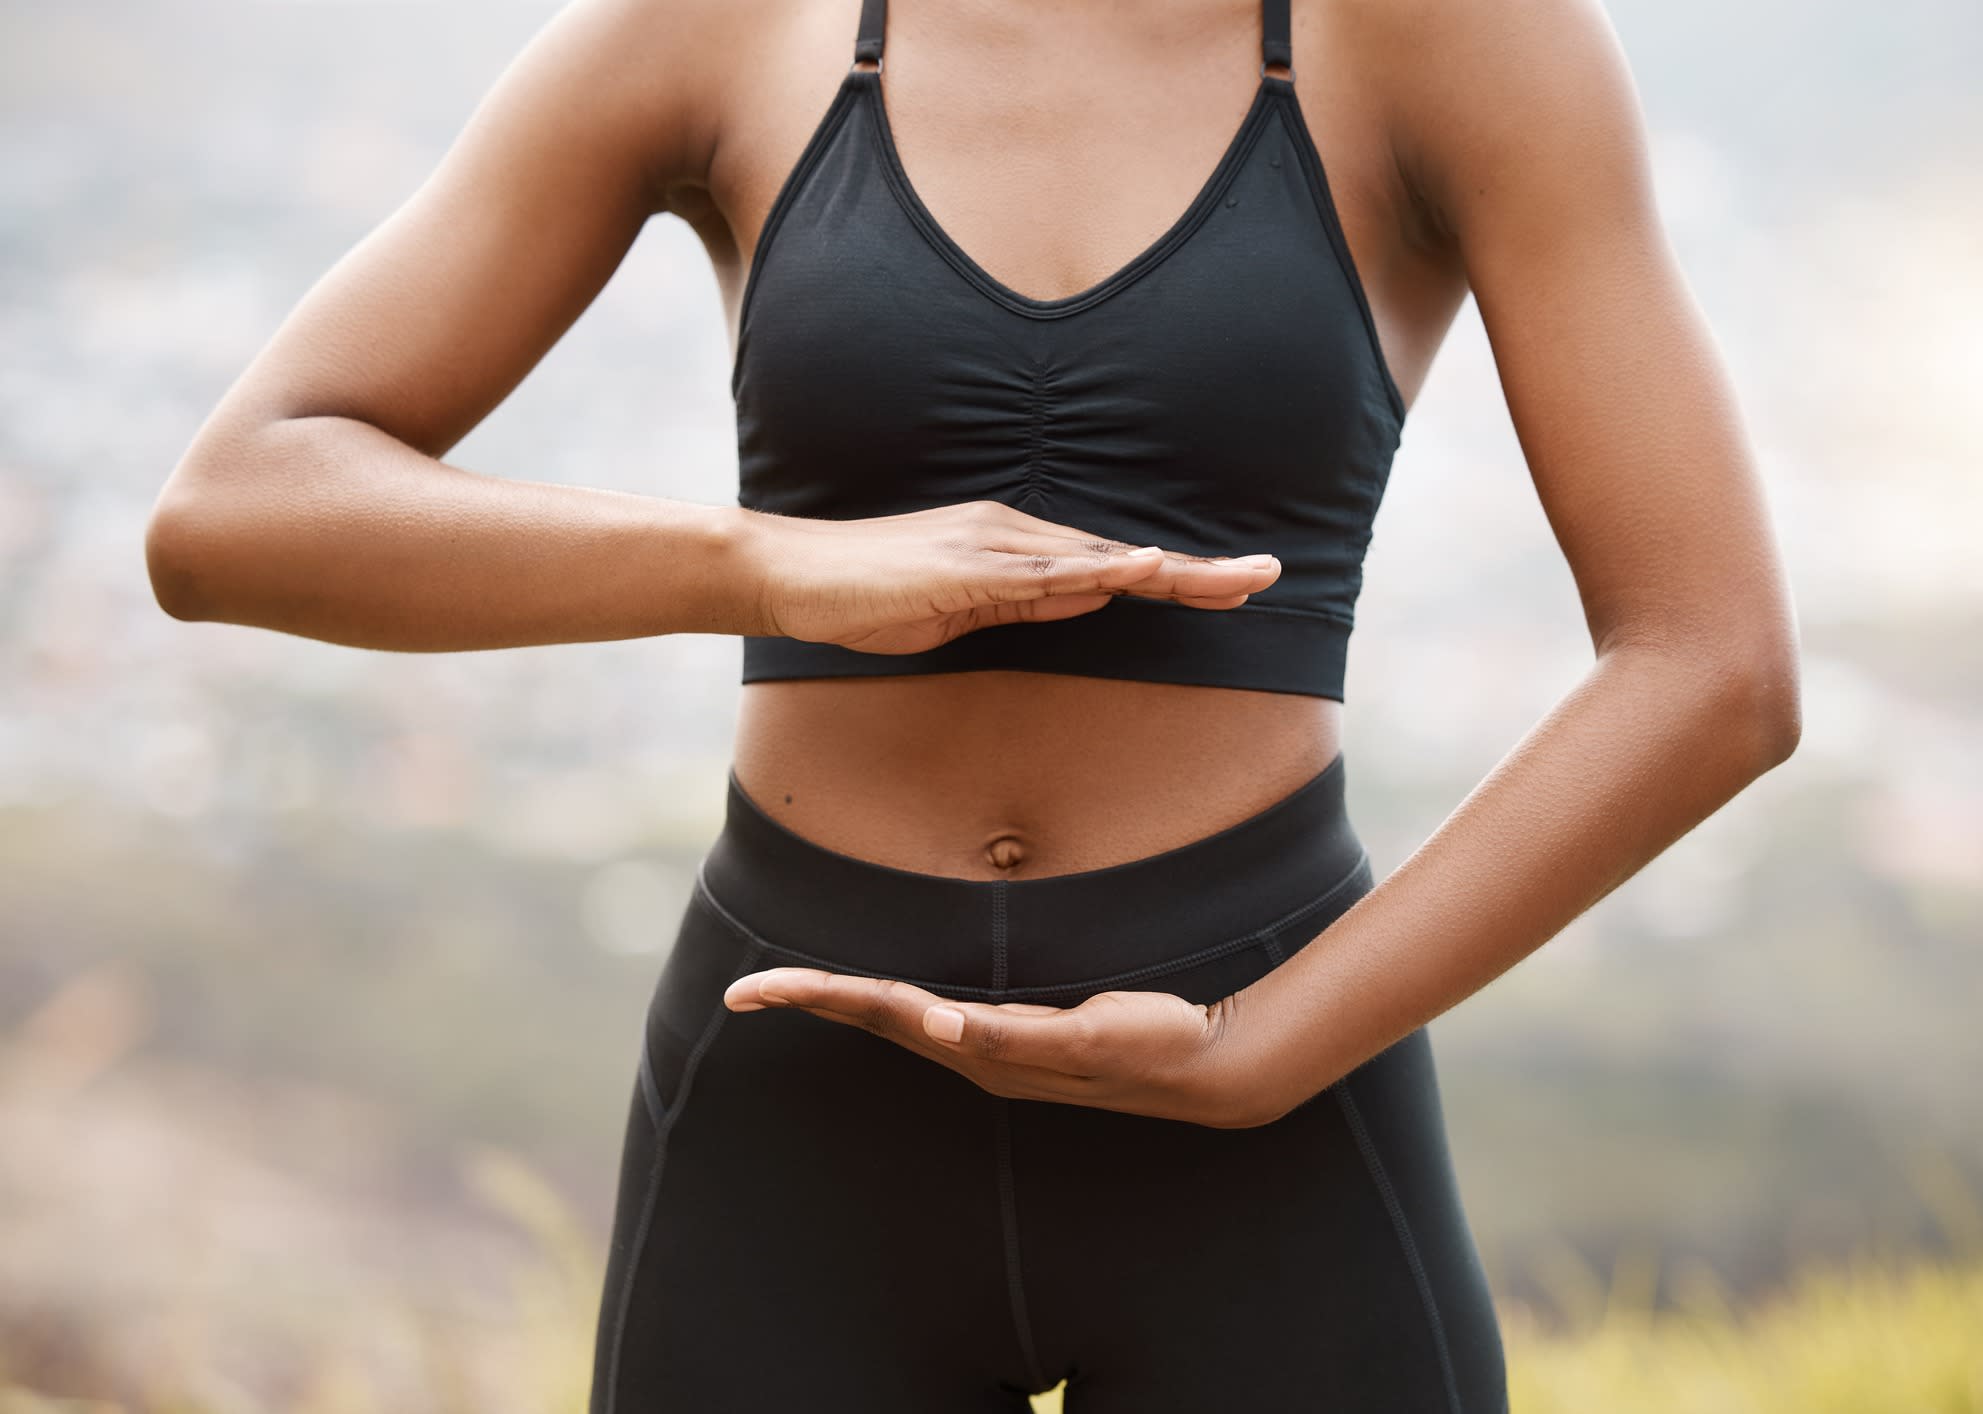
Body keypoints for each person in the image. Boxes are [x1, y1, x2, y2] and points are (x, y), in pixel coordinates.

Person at [143, 0, 1801, 1406]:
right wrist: (766, 565)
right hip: (795, 1093)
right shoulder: (730, 24)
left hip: (1277, 1101)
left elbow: (1712, 661)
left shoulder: (1450, 35)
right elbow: (233, 513)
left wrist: (1254, 1046)